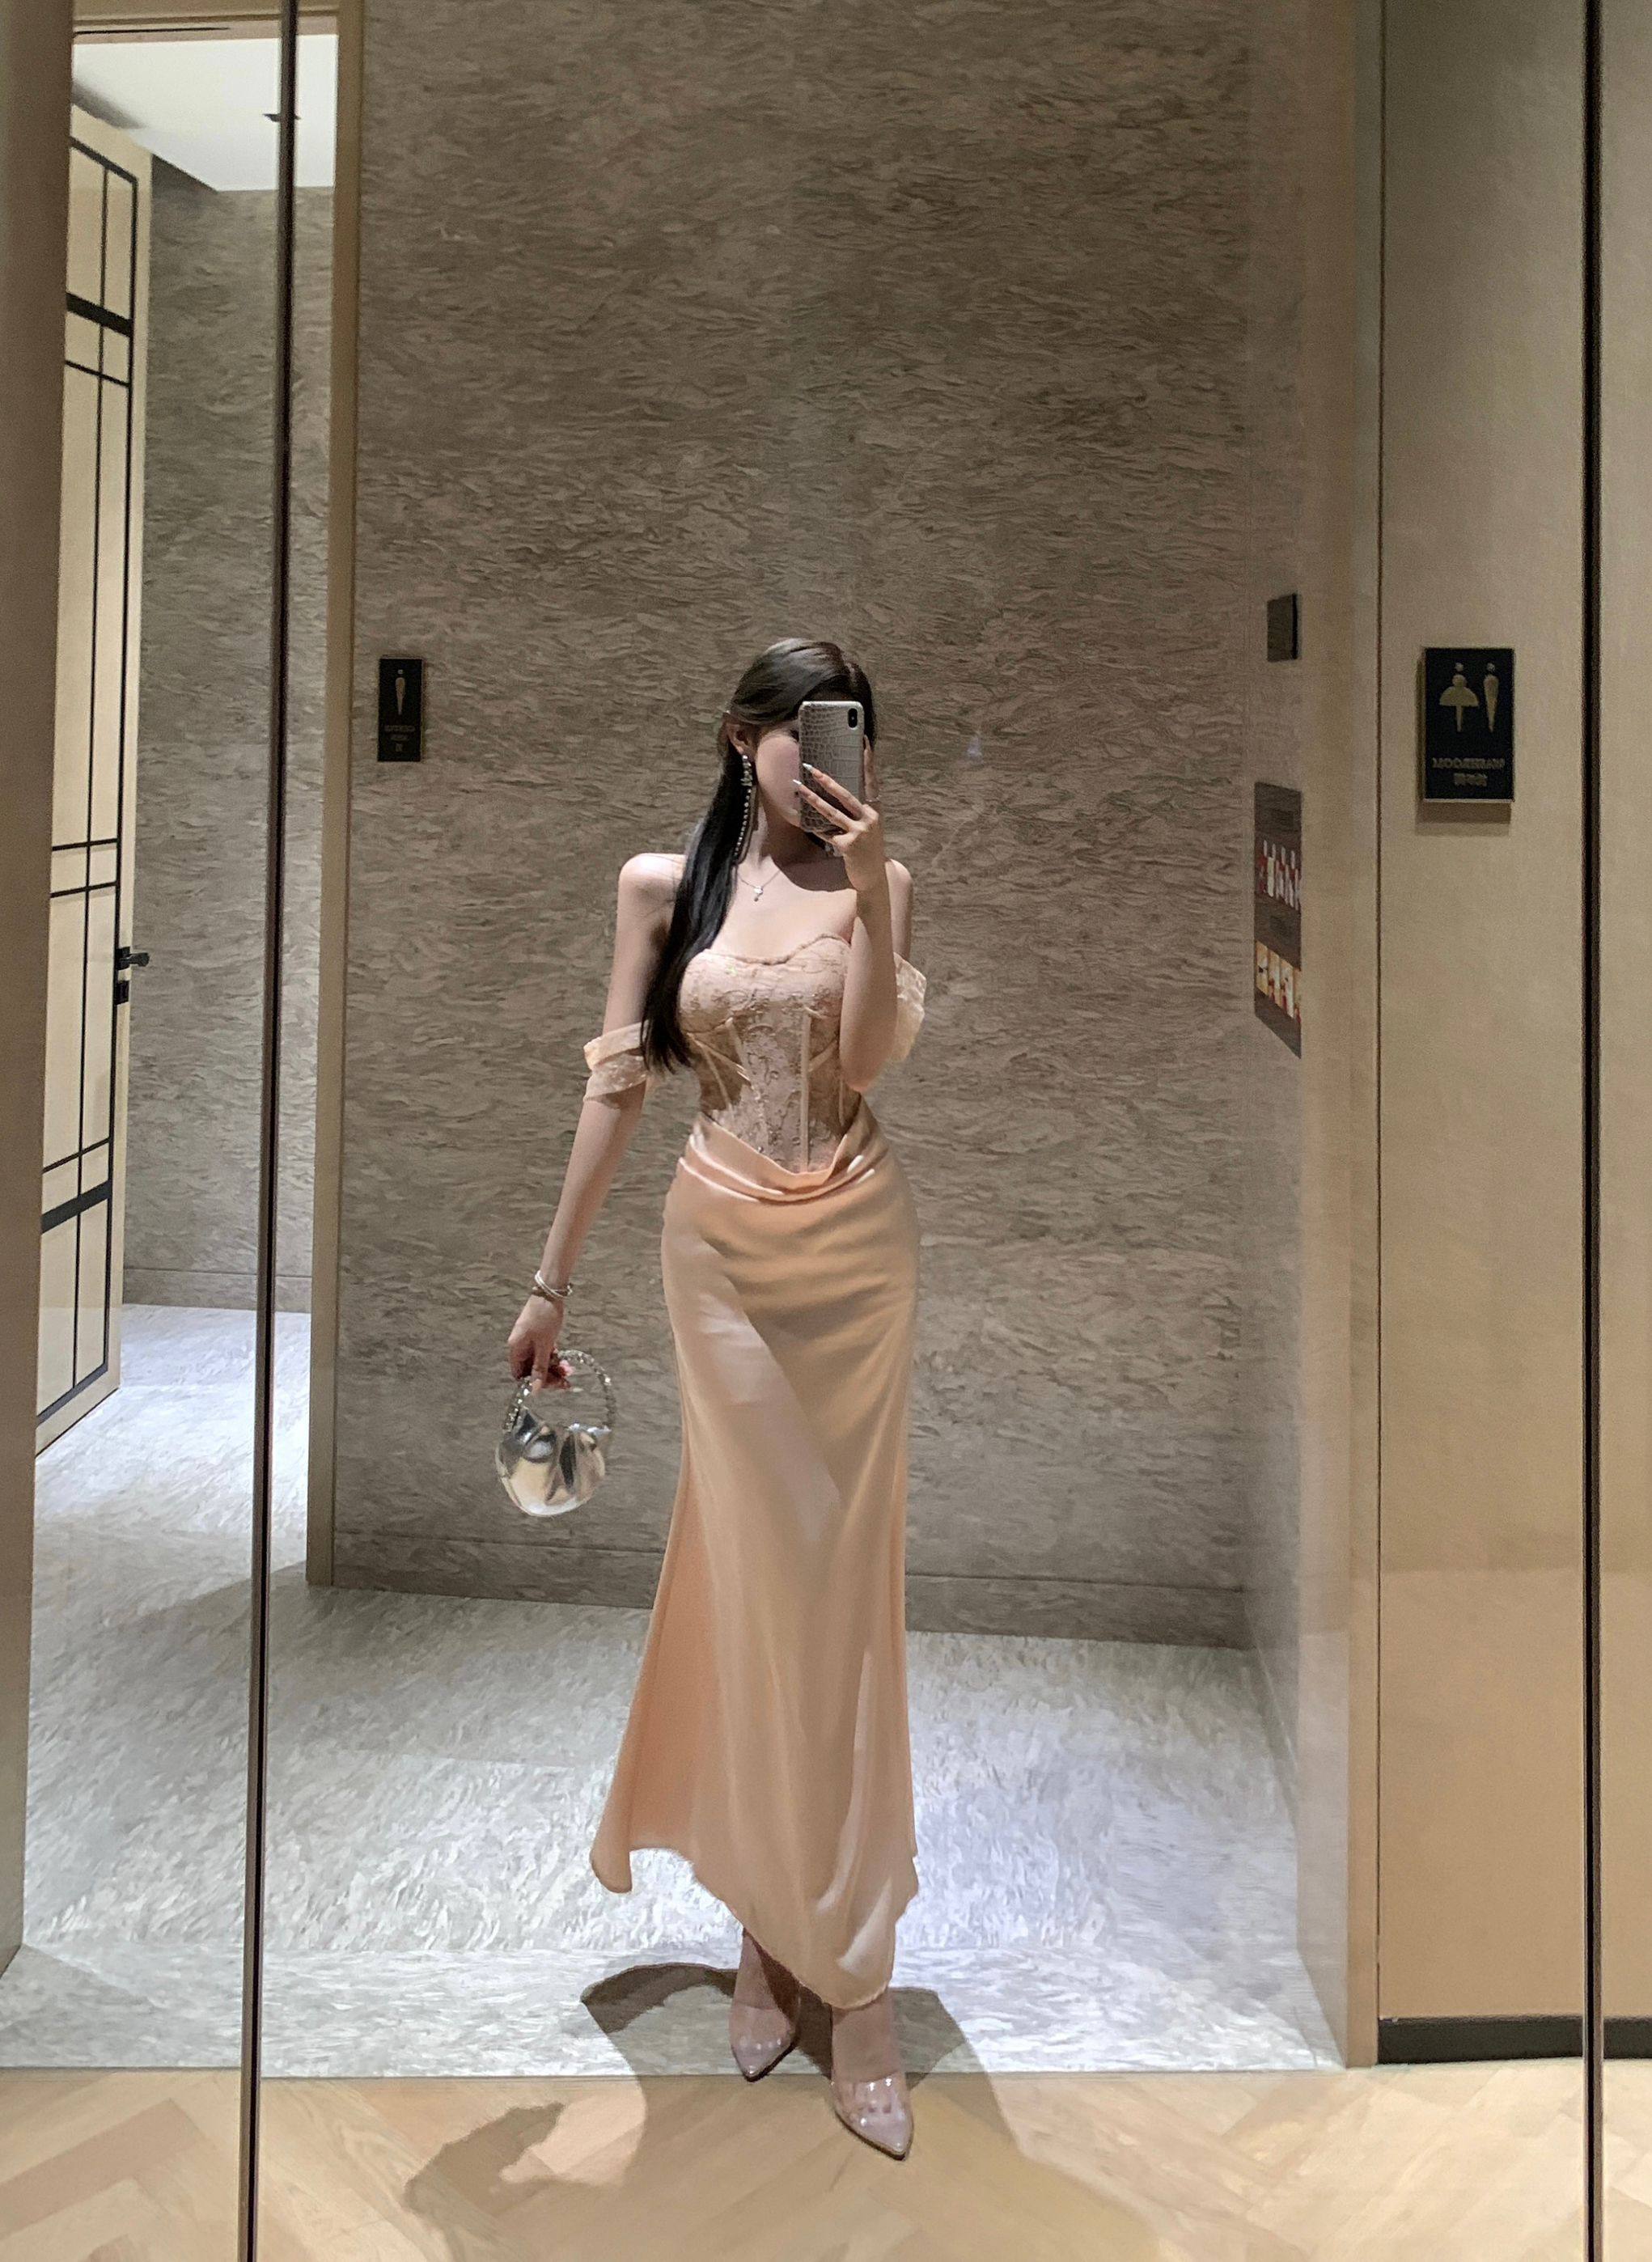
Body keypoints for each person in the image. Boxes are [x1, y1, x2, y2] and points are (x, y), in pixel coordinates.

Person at [506, 638, 929, 2160]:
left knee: (841, 1595)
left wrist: (870, 889)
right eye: (798, 730)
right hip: (718, 1259)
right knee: (755, 1583)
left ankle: (853, 1978)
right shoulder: (658, 887)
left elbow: (867, 1061)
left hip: (855, 1252)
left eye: (846, 730)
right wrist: (549, 1283)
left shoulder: (877, 881)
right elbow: (615, 1087)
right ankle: (762, 1926)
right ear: (741, 737)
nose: (822, 756)